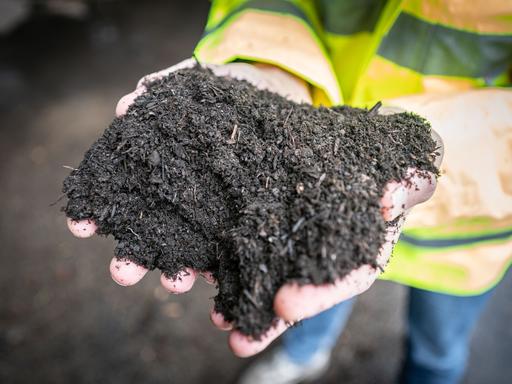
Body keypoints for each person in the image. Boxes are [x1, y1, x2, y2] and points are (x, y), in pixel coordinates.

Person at [67, 1, 512, 383]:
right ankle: (302, 357)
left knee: (438, 347)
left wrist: (441, 151)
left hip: (464, 240)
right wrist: (267, 62)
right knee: (307, 289)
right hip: (309, 116)